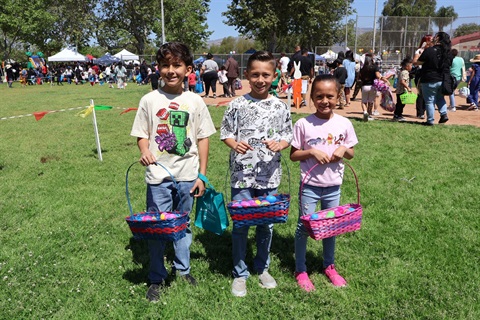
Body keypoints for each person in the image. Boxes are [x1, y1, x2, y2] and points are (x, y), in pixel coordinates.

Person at [130, 42, 216, 302]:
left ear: (188, 69)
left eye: (176, 65)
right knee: (157, 228)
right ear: (158, 68)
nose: (170, 70)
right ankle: (156, 276)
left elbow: (203, 138)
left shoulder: (195, 101)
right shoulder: (149, 99)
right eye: (165, 65)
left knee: (182, 224)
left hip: (188, 176)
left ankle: (183, 269)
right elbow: (141, 134)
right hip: (158, 178)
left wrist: (201, 175)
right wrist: (144, 150)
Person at [220, 51, 293, 297]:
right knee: (240, 224)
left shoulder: (280, 106)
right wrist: (234, 144)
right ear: (247, 75)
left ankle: (262, 267)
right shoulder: (236, 105)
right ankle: (240, 273)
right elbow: (226, 132)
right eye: (255, 74)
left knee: (266, 224)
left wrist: (280, 145)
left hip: (269, 175)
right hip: (242, 175)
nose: (260, 79)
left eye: (265, 74)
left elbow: (288, 135)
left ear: (274, 76)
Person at [290, 74, 358, 292]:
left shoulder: (344, 123)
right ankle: (300, 269)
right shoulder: (303, 124)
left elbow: (351, 154)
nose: (325, 101)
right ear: (312, 97)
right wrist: (310, 151)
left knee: (332, 228)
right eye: (319, 96)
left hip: (333, 187)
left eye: (330, 96)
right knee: (304, 227)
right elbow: (293, 155)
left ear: (338, 97)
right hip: (309, 186)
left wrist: (343, 149)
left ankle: (329, 266)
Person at [413, 31, 452, 125]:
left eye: (435, 36)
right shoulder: (448, 52)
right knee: (440, 98)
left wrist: (417, 55)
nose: (434, 37)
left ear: (438, 38)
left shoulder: (429, 50)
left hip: (429, 78)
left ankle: (430, 120)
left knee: (429, 100)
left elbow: (418, 63)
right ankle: (444, 114)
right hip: (442, 79)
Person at [412, 35, 433, 119]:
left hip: (429, 73)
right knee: (421, 93)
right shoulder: (419, 51)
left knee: (428, 93)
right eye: (431, 40)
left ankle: (426, 111)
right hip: (420, 73)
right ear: (426, 41)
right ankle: (420, 112)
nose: (432, 41)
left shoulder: (433, 51)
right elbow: (414, 61)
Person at [360, 54, 386, 121]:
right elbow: (378, 76)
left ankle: (365, 112)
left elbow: (359, 77)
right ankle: (369, 114)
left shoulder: (363, 68)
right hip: (372, 86)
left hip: (364, 86)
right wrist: (383, 79)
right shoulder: (375, 67)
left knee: (364, 101)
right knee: (371, 101)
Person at [392, 57, 413, 122]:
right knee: (400, 104)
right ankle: (397, 115)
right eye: (411, 65)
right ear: (407, 66)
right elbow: (402, 81)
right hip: (402, 91)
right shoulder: (405, 72)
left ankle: (399, 115)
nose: (412, 67)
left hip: (399, 90)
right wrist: (408, 88)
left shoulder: (401, 71)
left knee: (400, 103)